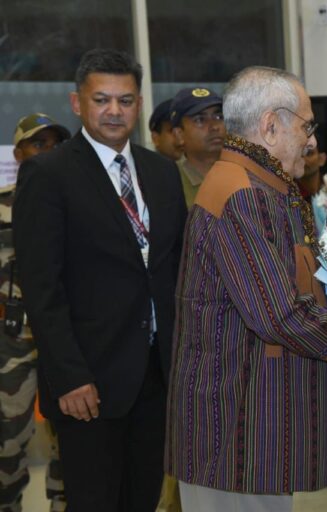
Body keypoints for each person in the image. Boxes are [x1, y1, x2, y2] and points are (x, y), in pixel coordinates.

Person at [164, 66, 327, 512]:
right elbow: (278, 314)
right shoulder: (242, 192)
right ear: (269, 126)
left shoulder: (264, 187)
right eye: (306, 126)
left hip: (253, 424)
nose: (312, 141)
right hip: (234, 429)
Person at [13, 48, 187, 511]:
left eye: (125, 100)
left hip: (157, 375)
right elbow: (42, 287)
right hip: (88, 383)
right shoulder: (47, 174)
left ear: (139, 102)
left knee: (143, 499)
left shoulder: (162, 173)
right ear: (77, 103)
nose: (114, 111)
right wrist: (69, 377)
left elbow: (174, 271)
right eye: (102, 99)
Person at [1, 113, 70, 512]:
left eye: (56, 145)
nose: (48, 152)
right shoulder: (2, 205)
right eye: (38, 144)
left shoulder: (78, 204)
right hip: (12, 340)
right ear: (19, 153)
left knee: (73, 438)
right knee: (8, 441)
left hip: (63, 337)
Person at [169, 87, 225, 207]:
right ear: (179, 135)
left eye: (219, 117)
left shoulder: (245, 175)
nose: (214, 127)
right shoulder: (169, 183)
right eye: (200, 120)